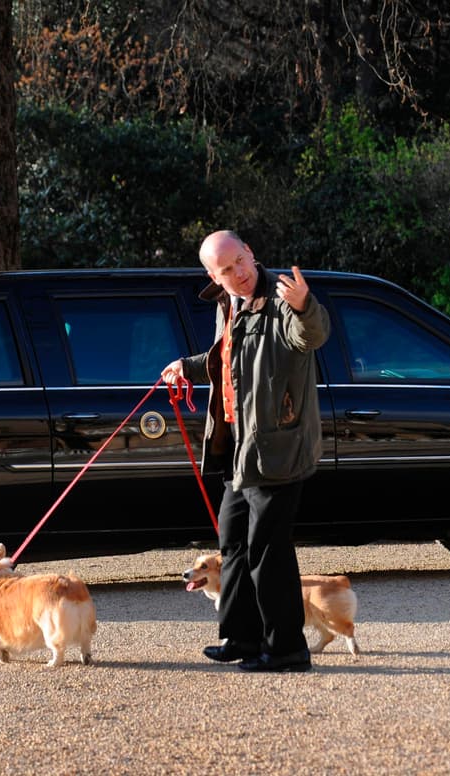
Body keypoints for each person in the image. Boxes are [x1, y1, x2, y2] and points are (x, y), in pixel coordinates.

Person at [161, 230, 331, 672]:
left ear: (250, 253)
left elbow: (310, 335)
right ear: (212, 275)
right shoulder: (227, 304)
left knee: (267, 550)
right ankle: (242, 637)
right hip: (237, 446)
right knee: (231, 542)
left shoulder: (281, 300)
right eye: (225, 269)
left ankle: (287, 649)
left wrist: (304, 306)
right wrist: (187, 366)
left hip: (277, 448)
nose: (237, 274)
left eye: (240, 261)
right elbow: (229, 359)